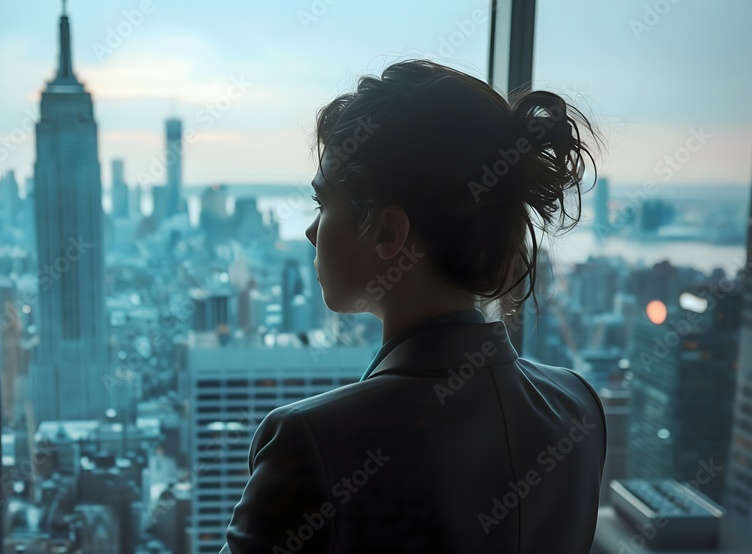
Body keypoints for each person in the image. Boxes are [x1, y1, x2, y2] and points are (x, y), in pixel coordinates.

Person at [221, 59, 608, 553]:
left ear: (388, 232)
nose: (310, 231)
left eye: (323, 205)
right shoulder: (578, 408)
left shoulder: (310, 441)